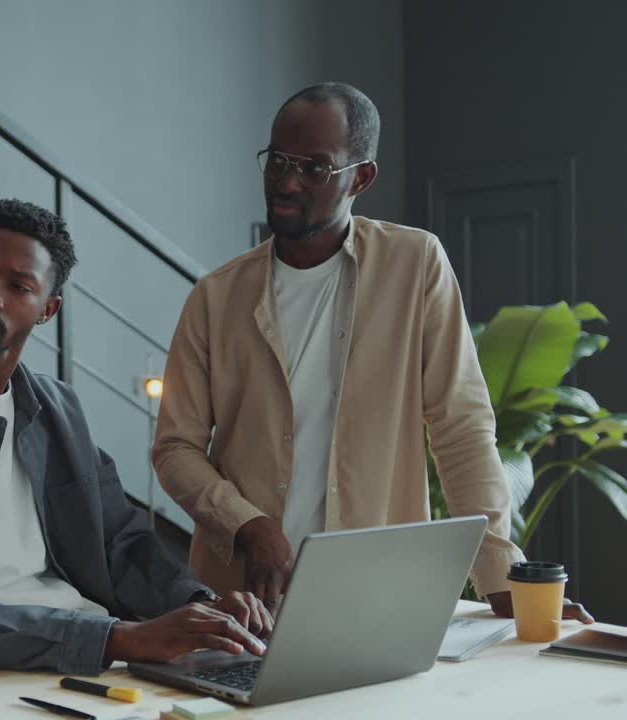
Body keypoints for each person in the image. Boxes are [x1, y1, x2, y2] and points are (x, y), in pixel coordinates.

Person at [152, 82, 593, 624]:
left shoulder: (414, 265)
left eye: (315, 167)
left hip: (375, 598)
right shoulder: (215, 297)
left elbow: (460, 425)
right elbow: (175, 449)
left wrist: (500, 578)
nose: (287, 181)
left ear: (361, 176)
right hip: (243, 604)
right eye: (278, 161)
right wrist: (248, 524)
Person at [0, 199, 271, 686]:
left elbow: (119, 543)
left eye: (19, 286)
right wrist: (119, 638)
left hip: (79, 659)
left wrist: (201, 607)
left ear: (48, 309)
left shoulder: (59, 408)